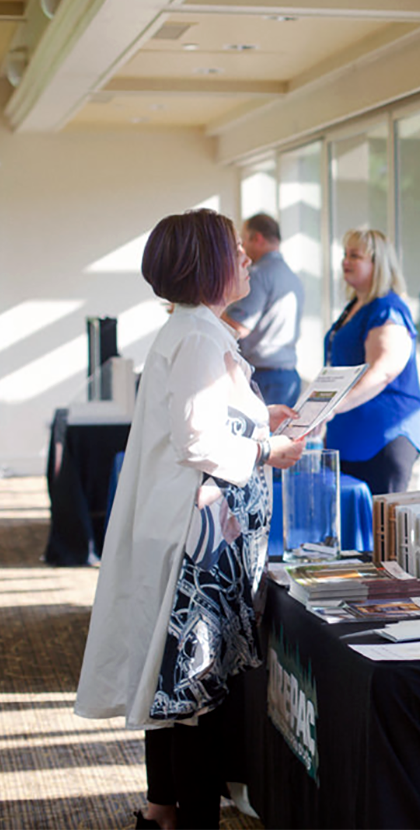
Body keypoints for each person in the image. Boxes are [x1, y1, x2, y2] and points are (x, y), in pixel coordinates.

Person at [74, 209, 307, 830]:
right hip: (192, 544)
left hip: (185, 534)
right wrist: (267, 450)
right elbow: (199, 441)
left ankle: (163, 811)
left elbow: (207, 420)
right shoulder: (200, 337)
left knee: (172, 688)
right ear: (209, 263)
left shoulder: (194, 330)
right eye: (236, 248)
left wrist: (263, 419)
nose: (247, 258)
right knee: (194, 693)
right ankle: (189, 817)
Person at [325, 228, 420, 496]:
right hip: (350, 437)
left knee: (381, 532)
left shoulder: (388, 309)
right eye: (345, 255)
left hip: (383, 437)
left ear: (377, 264)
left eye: (355, 256)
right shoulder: (354, 307)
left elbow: (383, 371)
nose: (345, 261)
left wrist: (334, 406)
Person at [222, 213, 305, 407]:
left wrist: (204, 314)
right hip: (288, 375)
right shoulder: (292, 277)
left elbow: (238, 326)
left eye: (243, 242)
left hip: (265, 378)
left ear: (257, 238)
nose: (242, 252)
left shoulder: (258, 274)